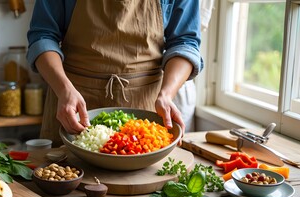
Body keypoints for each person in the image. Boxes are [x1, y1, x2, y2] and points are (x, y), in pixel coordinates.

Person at [27, 0, 203, 147]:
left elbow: (185, 42)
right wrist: (64, 89)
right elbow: (42, 36)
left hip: (145, 109)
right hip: (73, 103)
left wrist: (167, 94)